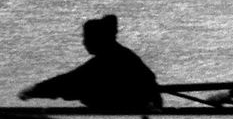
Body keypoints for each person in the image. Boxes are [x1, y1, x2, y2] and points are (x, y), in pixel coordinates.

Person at [17, 15, 161, 111]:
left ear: (99, 39)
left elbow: (69, 81)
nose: (84, 42)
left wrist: (34, 90)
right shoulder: (122, 55)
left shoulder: (108, 61)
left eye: (87, 38)